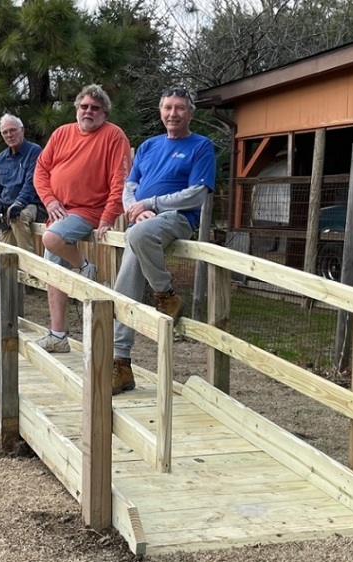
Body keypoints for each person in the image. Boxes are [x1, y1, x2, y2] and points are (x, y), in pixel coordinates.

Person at [110, 87, 216, 394]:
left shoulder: (201, 146)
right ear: (160, 111)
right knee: (126, 276)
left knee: (137, 235)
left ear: (190, 113)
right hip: (143, 222)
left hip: (178, 218)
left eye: (180, 108)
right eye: (168, 107)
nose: (173, 113)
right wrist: (135, 208)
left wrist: (151, 204)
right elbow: (129, 187)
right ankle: (121, 362)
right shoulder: (148, 146)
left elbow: (196, 194)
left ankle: (165, 294)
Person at [32, 84, 132, 353]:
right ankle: (57, 335)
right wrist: (49, 200)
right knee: (53, 267)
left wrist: (109, 216)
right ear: (77, 108)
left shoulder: (114, 136)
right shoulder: (61, 133)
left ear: (104, 113)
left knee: (51, 239)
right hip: (60, 211)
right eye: (84, 106)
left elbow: (120, 178)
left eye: (95, 108)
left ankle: (85, 267)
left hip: (89, 211)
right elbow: (41, 169)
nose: (88, 111)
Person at [0, 114, 45, 253]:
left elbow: (32, 182)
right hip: (7, 208)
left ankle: (28, 262)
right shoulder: (0, 159)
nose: (9, 135)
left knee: (18, 216)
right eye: (5, 132)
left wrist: (19, 203)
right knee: (5, 253)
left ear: (22, 130)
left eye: (12, 130)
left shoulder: (34, 151)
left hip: (29, 204)